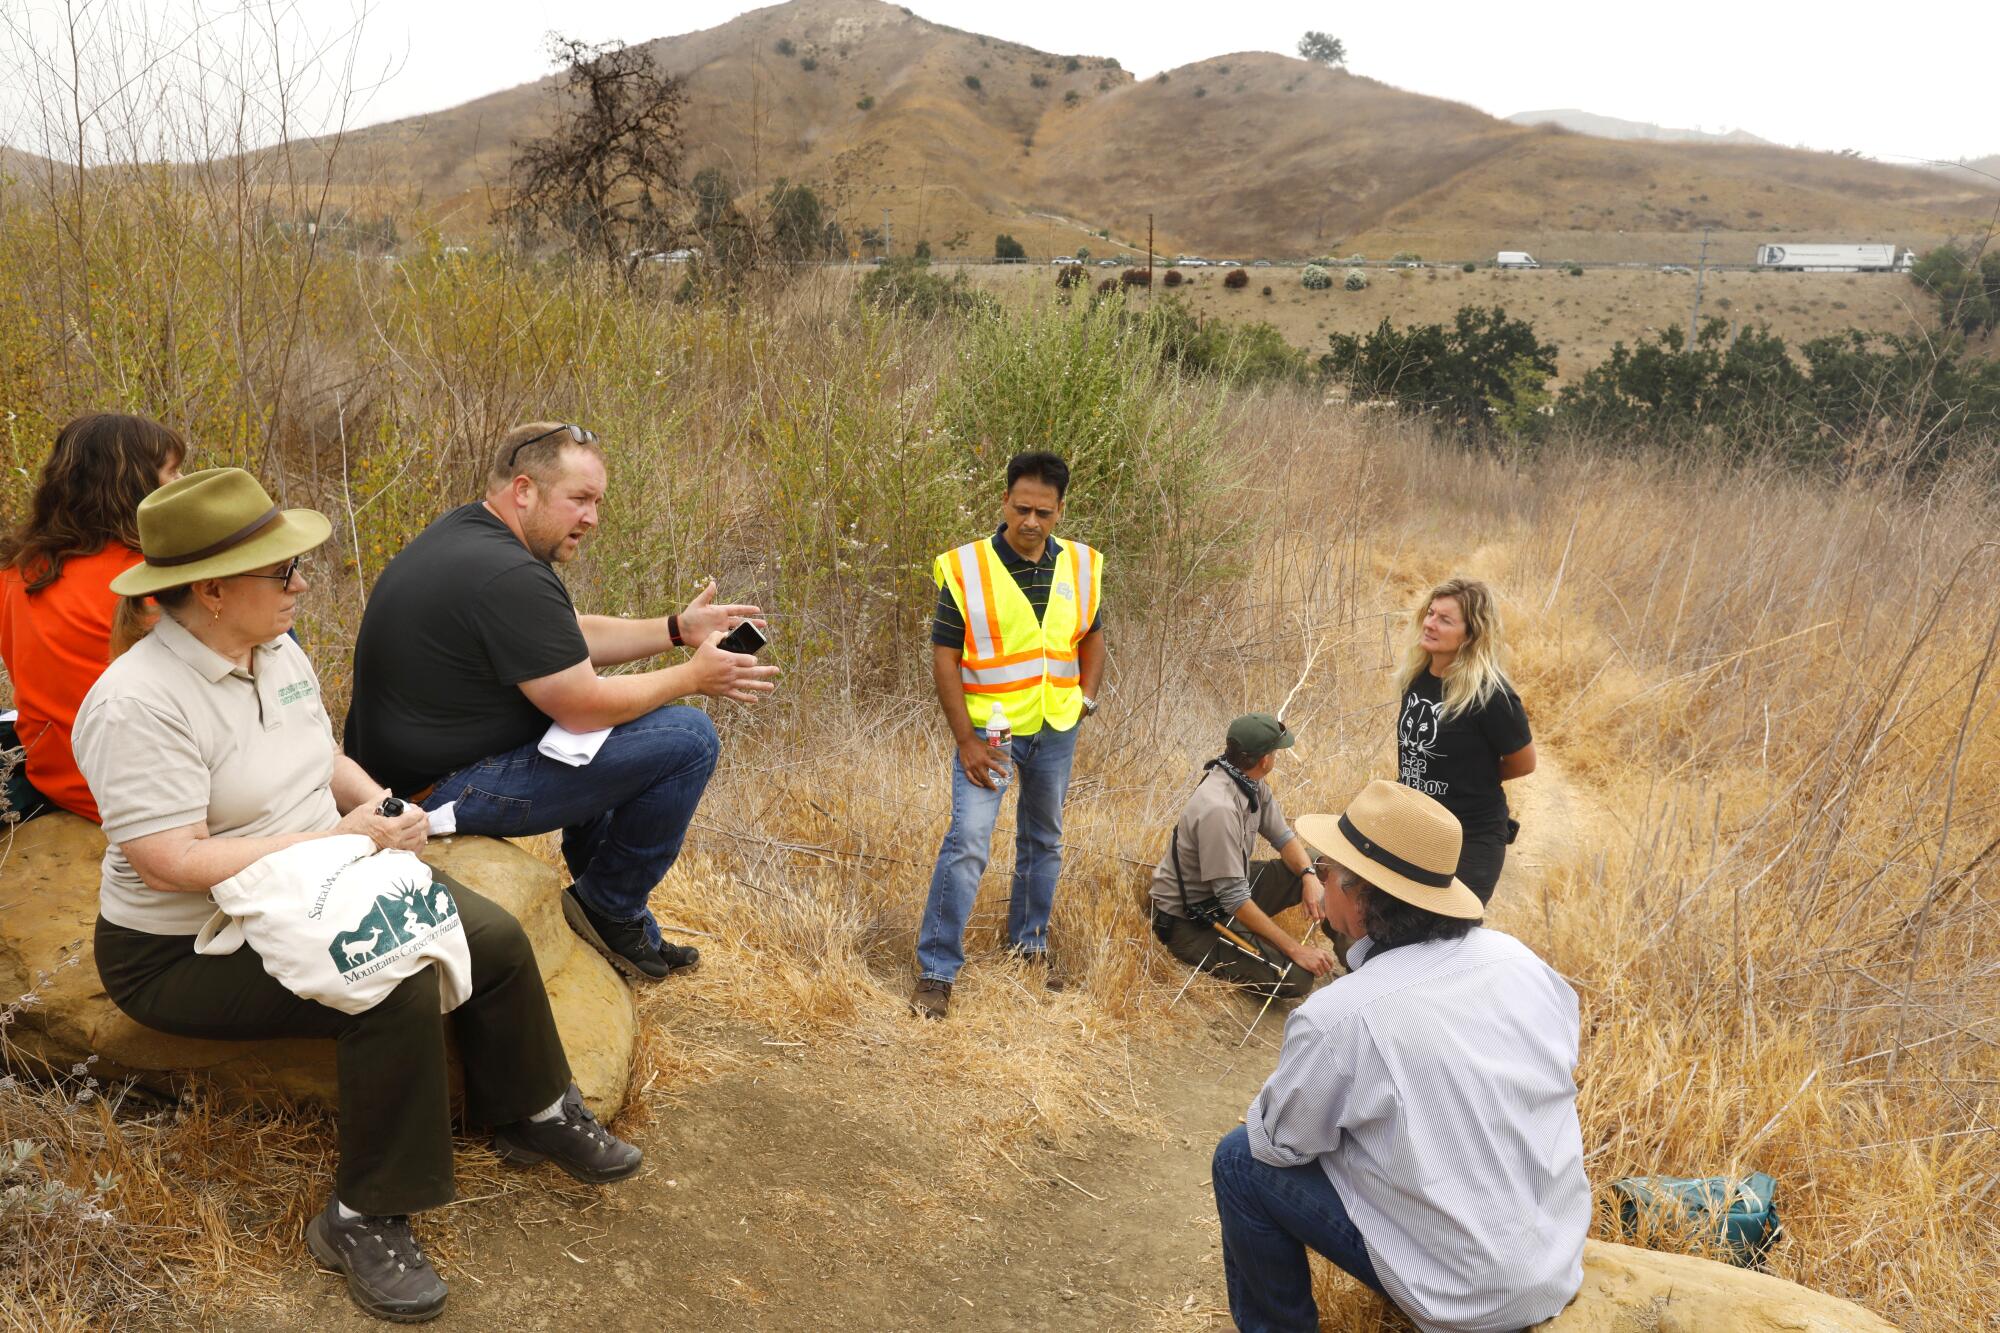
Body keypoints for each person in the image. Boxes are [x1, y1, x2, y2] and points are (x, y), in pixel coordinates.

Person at [72, 468, 640, 1324]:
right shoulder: (137, 703)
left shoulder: (276, 648)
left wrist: (380, 803)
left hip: (314, 881)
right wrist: (336, 840)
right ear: (213, 590)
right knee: (391, 978)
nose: (304, 583)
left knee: (486, 933)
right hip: (187, 942)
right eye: (284, 571)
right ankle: (363, 1214)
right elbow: (167, 861)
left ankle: (531, 1108)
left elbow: (319, 755)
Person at [343, 423, 778, 983]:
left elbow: (564, 638)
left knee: (591, 738)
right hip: (437, 793)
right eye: (579, 500)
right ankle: (607, 906)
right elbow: (581, 704)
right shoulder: (509, 572)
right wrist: (692, 677)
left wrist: (676, 628)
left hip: (414, 773)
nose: (592, 518)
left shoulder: (469, 534)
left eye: (596, 501)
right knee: (686, 739)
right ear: (524, 489)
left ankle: (615, 919)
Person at [1210, 779, 1588, 1333]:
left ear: (1356, 892)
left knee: (1239, 1160)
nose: (1317, 873)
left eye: (1325, 866)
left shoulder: (1342, 1015)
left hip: (1469, 1296)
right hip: (1555, 1256)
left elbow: (1280, 1145)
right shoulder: (1516, 959)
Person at [910, 451, 1106, 1019]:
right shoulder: (968, 569)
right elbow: (944, 657)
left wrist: (1084, 699)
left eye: (1044, 512)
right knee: (969, 841)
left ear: (1060, 510)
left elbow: (1092, 635)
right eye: (1022, 508)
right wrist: (967, 741)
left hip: (1055, 727)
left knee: (1043, 840)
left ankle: (1029, 946)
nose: (1031, 522)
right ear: (1004, 502)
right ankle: (936, 970)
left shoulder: (1081, 565)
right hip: (989, 734)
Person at [0, 413, 184, 822]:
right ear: (133, 485)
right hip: (142, 796)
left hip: (55, 777)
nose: (180, 483)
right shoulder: (148, 580)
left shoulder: (17, 569)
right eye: (171, 472)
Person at [1147, 713, 1336, 998]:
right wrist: (1297, 950)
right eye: (1275, 752)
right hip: (1190, 919)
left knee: (1322, 864)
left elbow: (1283, 838)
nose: (1276, 757)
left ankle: (1354, 952)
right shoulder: (1219, 809)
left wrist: (1309, 876)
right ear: (1264, 760)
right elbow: (1234, 899)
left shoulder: (1250, 782)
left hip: (1229, 892)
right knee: (1296, 978)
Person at [1393, 576, 1535, 902]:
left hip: (1470, 838)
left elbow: (1524, 763)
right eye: (1430, 614)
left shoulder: (1490, 694)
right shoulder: (1415, 677)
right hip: (1416, 828)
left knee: (1448, 937)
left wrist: (1475, 777)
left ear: (1470, 634)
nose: (1430, 624)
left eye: (1445, 620)